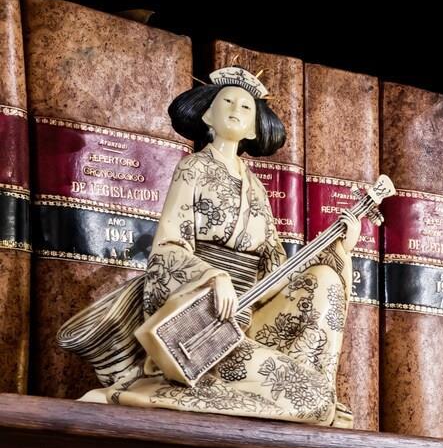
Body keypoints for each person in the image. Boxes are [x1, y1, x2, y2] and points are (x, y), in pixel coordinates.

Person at [62, 67, 365, 425]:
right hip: (205, 323)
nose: (236, 109)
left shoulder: (257, 188)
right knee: (312, 399)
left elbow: (275, 268)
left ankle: (309, 398)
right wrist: (212, 277)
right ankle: (131, 395)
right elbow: (168, 248)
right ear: (208, 115)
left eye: (246, 107)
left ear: (253, 129)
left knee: (325, 281)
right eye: (227, 102)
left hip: (247, 319)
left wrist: (340, 248)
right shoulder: (192, 169)